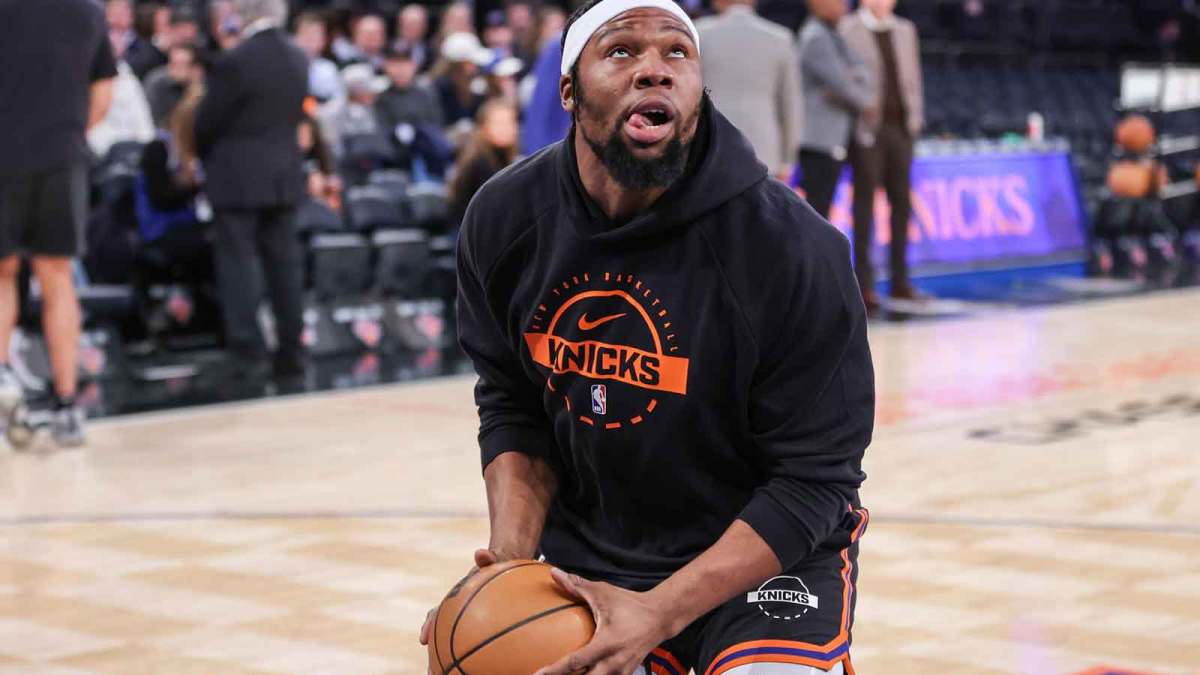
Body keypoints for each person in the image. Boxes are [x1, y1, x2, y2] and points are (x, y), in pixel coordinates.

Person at [420, 1, 874, 674]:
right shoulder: (505, 218)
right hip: (598, 557)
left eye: (676, 53)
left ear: (698, 89)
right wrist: (509, 568)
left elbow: (813, 480)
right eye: (622, 51)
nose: (654, 70)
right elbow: (514, 401)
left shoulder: (793, 249)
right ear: (569, 90)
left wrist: (660, 611)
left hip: (767, 555)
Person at [0, 0, 117, 447]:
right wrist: (65, 134)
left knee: (3, 272)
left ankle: (4, 384)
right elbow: (103, 95)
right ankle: (67, 406)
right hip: (61, 157)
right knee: (57, 275)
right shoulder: (86, 11)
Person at [195, 0, 309, 378]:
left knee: (239, 265)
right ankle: (291, 351)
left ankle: (249, 354)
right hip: (284, 176)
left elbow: (207, 122)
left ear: (244, 14)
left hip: (237, 178)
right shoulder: (298, 56)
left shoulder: (236, 60)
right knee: (286, 268)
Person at [841, 0, 925, 308]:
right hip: (868, 131)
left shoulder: (905, 30)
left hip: (901, 129)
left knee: (901, 204)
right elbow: (844, 78)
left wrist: (915, 119)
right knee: (864, 208)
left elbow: (913, 79)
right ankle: (864, 286)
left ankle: (900, 282)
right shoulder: (848, 29)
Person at [697, 0, 803, 181]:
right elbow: (791, 105)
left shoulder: (698, 34)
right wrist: (788, 159)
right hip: (765, 151)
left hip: (710, 148)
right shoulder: (781, 37)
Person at [797, 0, 874, 219]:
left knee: (823, 204)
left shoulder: (833, 35)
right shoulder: (816, 37)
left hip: (831, 136)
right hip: (818, 139)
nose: (844, 7)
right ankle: (813, 254)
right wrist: (865, 102)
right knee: (817, 207)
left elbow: (862, 72)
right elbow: (842, 82)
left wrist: (851, 82)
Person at [89, 17, 157, 158]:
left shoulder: (128, 79)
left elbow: (144, 125)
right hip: (98, 153)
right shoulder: (83, 76)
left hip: (130, 153)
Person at [447, 98, 518, 227]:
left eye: (510, 122)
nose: (505, 128)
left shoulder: (508, 159)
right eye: (499, 123)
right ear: (484, 127)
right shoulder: (478, 163)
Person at [432, 32, 493, 129]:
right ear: (458, 64)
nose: (476, 66)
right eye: (471, 62)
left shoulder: (476, 83)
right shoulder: (439, 89)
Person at [144, 44, 201, 126]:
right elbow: (154, 121)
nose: (175, 70)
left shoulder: (202, 85)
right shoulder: (157, 83)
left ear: (195, 68)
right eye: (173, 64)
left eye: (182, 64)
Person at [294, 12, 344, 102]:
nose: (310, 40)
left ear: (323, 41)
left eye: (316, 35)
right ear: (295, 38)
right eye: (307, 34)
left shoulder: (328, 69)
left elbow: (338, 101)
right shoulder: (285, 66)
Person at [395, 3, 433, 72]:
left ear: (424, 26)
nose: (410, 27)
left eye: (415, 24)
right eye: (407, 23)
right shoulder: (387, 48)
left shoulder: (432, 50)